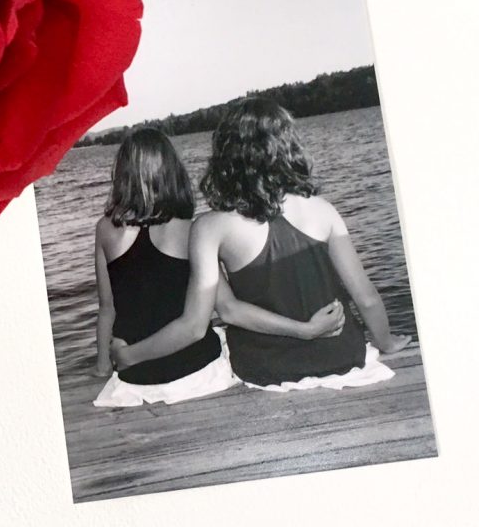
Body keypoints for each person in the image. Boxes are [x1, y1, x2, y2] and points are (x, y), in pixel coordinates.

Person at [111, 101, 411, 390]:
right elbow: (366, 297)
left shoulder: (209, 227)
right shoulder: (323, 209)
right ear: (287, 147)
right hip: (342, 355)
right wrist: (386, 342)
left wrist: (128, 356)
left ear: (225, 156)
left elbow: (225, 312)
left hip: (267, 367)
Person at [94, 126, 346, 406]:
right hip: (197, 374)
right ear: (172, 172)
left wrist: (106, 366)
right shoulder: (192, 231)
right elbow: (228, 311)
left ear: (122, 175)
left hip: (134, 379)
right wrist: (304, 330)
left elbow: (107, 309)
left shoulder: (104, 230)